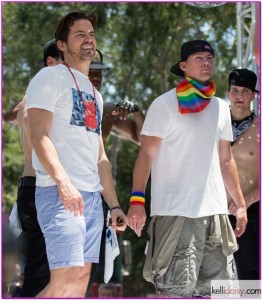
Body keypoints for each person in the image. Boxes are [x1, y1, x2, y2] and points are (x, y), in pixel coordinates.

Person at [127, 40, 247, 297]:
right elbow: (145, 154)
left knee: (222, 292)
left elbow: (226, 160)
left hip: (215, 214)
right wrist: (137, 200)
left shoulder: (220, 108)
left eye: (210, 58)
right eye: (199, 58)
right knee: (174, 291)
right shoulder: (164, 104)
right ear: (183, 66)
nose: (207, 62)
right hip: (175, 212)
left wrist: (240, 202)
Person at [26, 11, 128, 298]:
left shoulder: (94, 94)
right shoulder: (50, 77)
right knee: (64, 279)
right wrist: (64, 183)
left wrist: (115, 205)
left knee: (80, 280)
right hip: (60, 193)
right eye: (80, 34)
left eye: (92, 34)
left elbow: (100, 157)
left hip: (94, 200)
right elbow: (39, 135)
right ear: (61, 44)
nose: (88, 40)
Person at [3, 38, 62, 297]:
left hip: (28, 189)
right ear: (51, 62)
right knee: (45, 278)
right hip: (42, 190)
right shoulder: (49, 96)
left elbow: (9, 116)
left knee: (39, 274)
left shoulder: (30, 97)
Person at [87, 49, 145, 294]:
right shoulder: (59, 99)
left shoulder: (107, 108)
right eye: (91, 72)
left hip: (99, 193)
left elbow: (143, 139)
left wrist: (136, 109)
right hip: (63, 189)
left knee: (105, 268)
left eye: (99, 73)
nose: (96, 77)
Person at [227, 68, 260, 280]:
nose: (239, 96)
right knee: (215, 278)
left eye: (245, 91)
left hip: (249, 212)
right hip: (214, 213)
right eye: (235, 90)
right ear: (228, 93)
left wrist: (245, 202)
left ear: (253, 95)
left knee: (249, 276)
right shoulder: (213, 125)